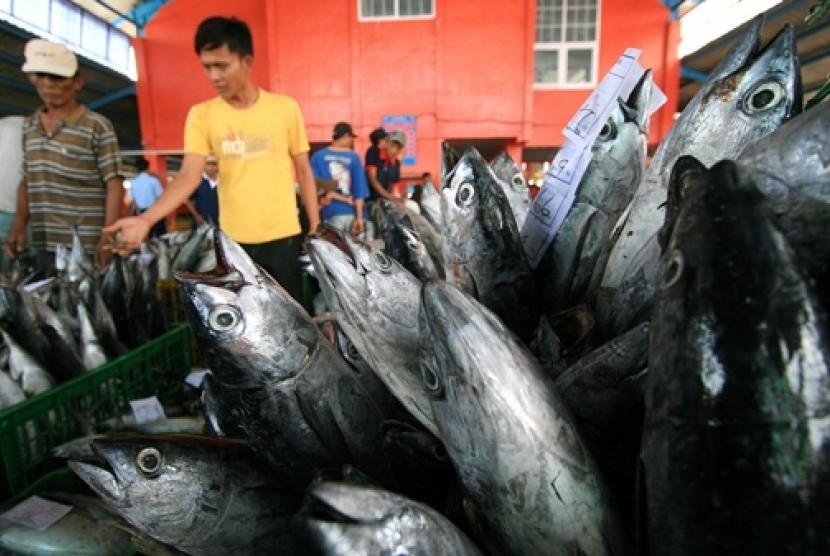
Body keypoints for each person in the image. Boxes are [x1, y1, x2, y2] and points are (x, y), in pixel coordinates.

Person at [104, 16, 319, 304]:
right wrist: (146, 219)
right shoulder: (202, 115)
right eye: (207, 67)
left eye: (222, 65)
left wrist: (315, 227)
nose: (214, 76)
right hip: (233, 242)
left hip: (283, 237)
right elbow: (188, 176)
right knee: (243, 324)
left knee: (290, 318)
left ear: (247, 61)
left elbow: (304, 171)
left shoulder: (284, 109)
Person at [5, 39, 124, 270]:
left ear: (77, 82)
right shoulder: (30, 126)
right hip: (43, 242)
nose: (49, 84)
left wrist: (107, 235)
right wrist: (19, 225)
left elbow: (114, 183)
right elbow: (27, 180)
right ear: (33, 79)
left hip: (87, 245)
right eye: (42, 76)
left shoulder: (97, 126)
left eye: (58, 77)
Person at [310, 122, 367, 235]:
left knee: (334, 250)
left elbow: (314, 186)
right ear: (345, 136)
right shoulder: (354, 157)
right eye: (351, 138)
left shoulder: (318, 156)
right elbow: (359, 190)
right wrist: (359, 217)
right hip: (352, 213)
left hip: (331, 212)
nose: (352, 141)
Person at [129, 157, 166, 237]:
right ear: (148, 167)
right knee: (160, 236)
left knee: (145, 236)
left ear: (136, 168)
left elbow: (133, 201)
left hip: (141, 213)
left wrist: (136, 213)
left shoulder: (133, 182)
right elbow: (161, 197)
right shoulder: (153, 180)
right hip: (155, 211)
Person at [185, 156, 220, 226]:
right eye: (208, 164)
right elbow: (188, 201)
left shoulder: (224, 181)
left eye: (214, 164)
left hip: (222, 222)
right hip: (203, 222)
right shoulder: (197, 181)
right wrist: (196, 215)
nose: (211, 167)